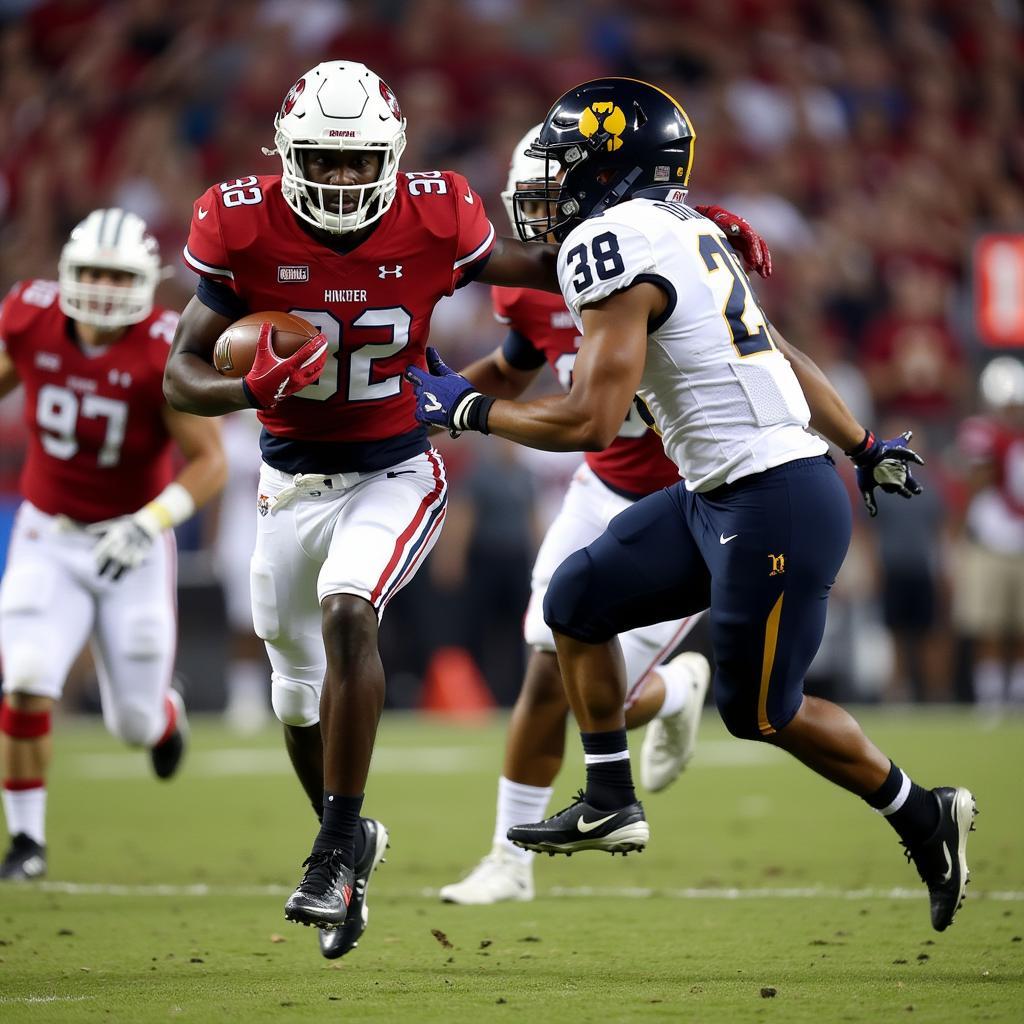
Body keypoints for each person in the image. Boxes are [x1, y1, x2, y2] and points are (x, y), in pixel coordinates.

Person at [408, 78, 976, 933]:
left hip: (772, 499)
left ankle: (925, 815)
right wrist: (861, 445)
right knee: (572, 602)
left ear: (610, 169)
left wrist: (468, 410)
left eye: (567, 164)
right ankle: (609, 796)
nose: (553, 183)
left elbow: (591, 419)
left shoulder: (610, 241)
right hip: (719, 492)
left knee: (759, 715)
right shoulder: (684, 226)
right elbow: (780, 353)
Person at [161, 60, 569, 960]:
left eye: (358, 162)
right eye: (322, 159)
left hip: (396, 464)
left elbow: (541, 263)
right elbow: (181, 377)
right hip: (286, 480)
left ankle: (333, 850)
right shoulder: (237, 219)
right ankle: (351, 837)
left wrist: (669, 238)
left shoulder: (437, 211)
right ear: (286, 153)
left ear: (392, 157)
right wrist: (250, 386)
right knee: (293, 692)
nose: (342, 178)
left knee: (352, 612)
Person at [439, 126, 773, 905]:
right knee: (547, 668)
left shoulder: (656, 261)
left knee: (593, 690)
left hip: (690, 495)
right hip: (599, 490)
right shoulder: (535, 282)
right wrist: (426, 398)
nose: (538, 219)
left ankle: (667, 694)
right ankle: (508, 859)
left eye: (551, 199)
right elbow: (517, 365)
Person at [0, 208, 226, 880]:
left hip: (133, 543)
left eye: (116, 275)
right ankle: (27, 843)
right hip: (48, 534)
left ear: (143, 282)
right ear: (66, 274)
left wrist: (151, 522)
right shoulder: (31, 317)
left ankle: (163, 715)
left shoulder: (161, 347)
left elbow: (209, 461)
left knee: (130, 724)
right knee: (26, 679)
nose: (100, 287)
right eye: (91, 273)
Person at [954, 356, 1024, 707]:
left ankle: (1016, 695)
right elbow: (977, 483)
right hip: (991, 539)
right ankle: (993, 697)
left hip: (1019, 539)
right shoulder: (983, 433)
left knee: (1018, 626)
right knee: (989, 624)